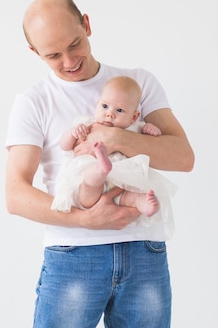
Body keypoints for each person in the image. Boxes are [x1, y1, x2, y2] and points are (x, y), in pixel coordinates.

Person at [4, 0, 194, 328]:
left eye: (74, 44)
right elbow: (15, 195)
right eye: (53, 55)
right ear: (34, 52)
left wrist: (114, 138)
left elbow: (183, 157)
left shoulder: (137, 84)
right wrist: (85, 218)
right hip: (73, 254)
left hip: (143, 250)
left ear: (87, 25)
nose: (69, 60)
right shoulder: (33, 102)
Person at [53, 75, 176, 223]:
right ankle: (101, 168)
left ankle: (143, 203)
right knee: (89, 182)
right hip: (91, 186)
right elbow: (64, 146)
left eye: (119, 110)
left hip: (123, 183)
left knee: (131, 196)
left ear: (134, 117)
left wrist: (152, 129)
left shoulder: (136, 129)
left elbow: (154, 143)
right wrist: (73, 133)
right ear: (97, 104)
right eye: (105, 106)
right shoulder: (86, 124)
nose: (110, 114)